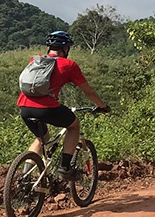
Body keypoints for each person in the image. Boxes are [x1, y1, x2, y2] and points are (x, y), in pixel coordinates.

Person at [16, 30, 110, 181]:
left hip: (24, 108)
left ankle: (25, 177)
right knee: (73, 126)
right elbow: (89, 92)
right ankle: (65, 169)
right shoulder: (69, 65)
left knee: (42, 139)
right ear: (66, 49)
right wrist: (103, 106)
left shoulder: (35, 60)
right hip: (47, 109)